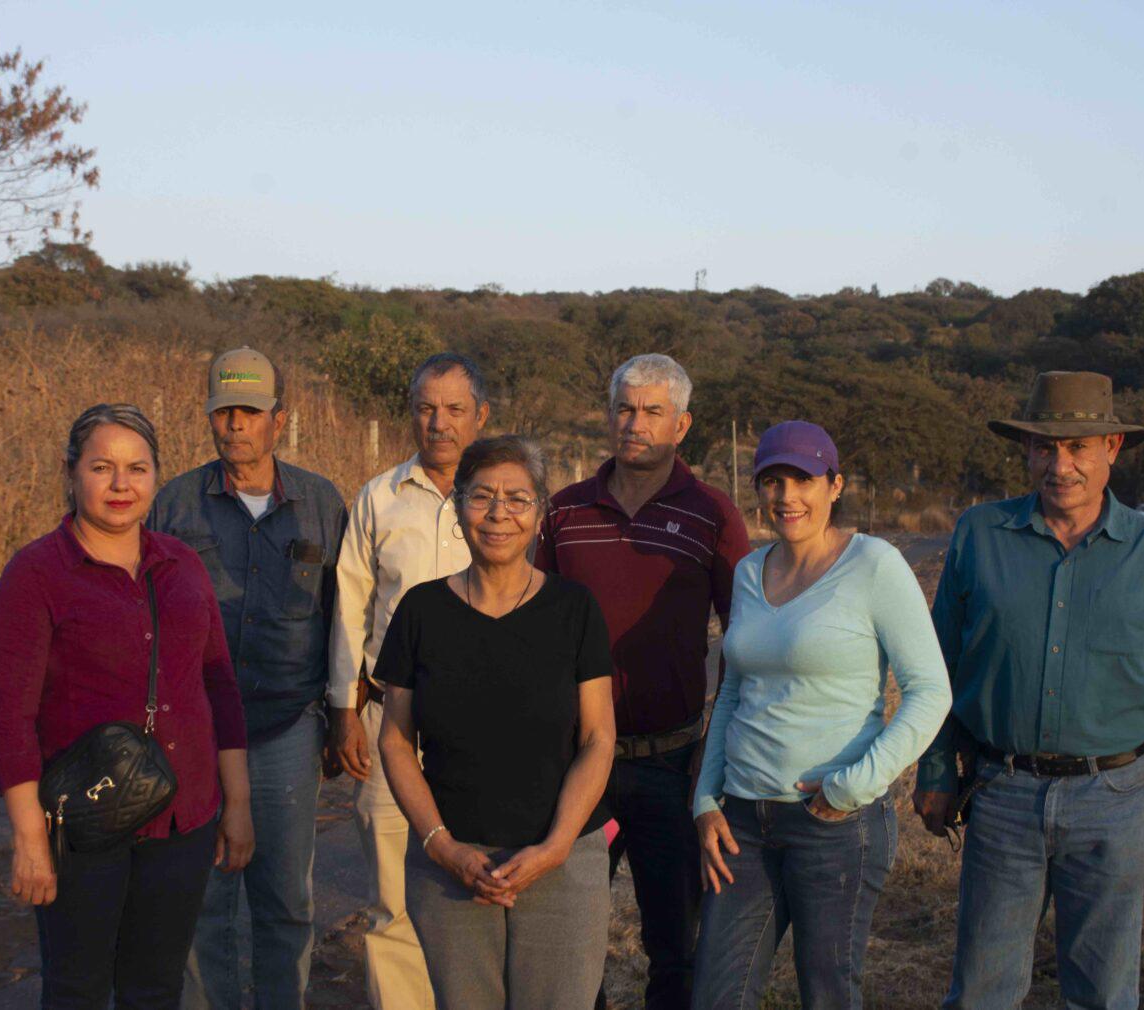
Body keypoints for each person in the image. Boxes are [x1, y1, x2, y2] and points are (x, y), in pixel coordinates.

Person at [915, 371, 1144, 1010]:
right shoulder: (980, 535)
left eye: (1077, 447)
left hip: (1112, 798)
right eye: (1043, 447)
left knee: (1104, 992)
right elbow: (940, 666)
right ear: (1026, 451)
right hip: (1001, 791)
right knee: (981, 990)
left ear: (1112, 446)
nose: (1059, 465)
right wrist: (934, 767)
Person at [0, 403, 253, 1010]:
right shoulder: (35, 576)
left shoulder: (182, 566)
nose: (121, 484)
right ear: (71, 473)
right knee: (77, 988)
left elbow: (220, 687)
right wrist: (30, 837)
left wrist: (236, 804)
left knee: (156, 987)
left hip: (183, 817)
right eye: (102, 467)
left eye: (137, 468)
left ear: (157, 476)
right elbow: (9, 720)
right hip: (82, 825)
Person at [690, 420, 951, 1010]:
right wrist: (706, 799)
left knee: (827, 994)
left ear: (834, 485)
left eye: (803, 480)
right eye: (772, 481)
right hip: (743, 825)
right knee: (715, 994)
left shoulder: (874, 565)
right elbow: (732, 692)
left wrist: (852, 786)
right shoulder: (748, 573)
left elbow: (930, 690)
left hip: (834, 825)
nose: (786, 497)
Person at [535, 352, 749, 1010]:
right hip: (576, 764)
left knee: (673, 945)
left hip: (671, 763)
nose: (635, 423)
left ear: (681, 425)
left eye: (652, 412)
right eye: (624, 409)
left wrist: (713, 759)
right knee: (568, 940)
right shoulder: (565, 512)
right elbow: (535, 630)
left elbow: (745, 643)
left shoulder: (712, 515)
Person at [376, 435, 617, 1010]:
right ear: (458, 507)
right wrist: (440, 846)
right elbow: (394, 738)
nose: (499, 514)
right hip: (453, 867)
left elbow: (598, 737)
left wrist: (557, 846)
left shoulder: (574, 609)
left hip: (561, 864)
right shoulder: (421, 611)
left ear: (540, 513)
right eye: (482, 497)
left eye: (517, 499)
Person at [149, 348, 347, 1010]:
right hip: (196, 731)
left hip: (287, 726)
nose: (235, 425)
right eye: (223, 411)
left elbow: (342, 614)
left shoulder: (321, 503)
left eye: (250, 412)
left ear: (280, 419)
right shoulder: (172, 503)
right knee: (204, 902)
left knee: (285, 900)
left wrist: (341, 715)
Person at [328, 352, 491, 1010]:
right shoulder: (380, 496)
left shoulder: (506, 498)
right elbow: (349, 601)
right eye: (426, 408)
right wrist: (343, 707)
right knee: (393, 900)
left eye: (455, 409)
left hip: (487, 727)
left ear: (480, 416)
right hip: (391, 716)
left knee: (478, 883)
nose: (439, 422)